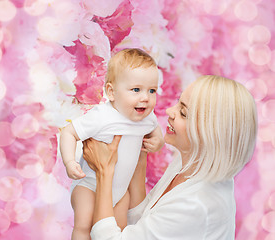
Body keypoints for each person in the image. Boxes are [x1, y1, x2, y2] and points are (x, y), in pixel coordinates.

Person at [82, 75, 258, 239]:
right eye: (178, 103)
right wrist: (139, 158)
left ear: (210, 135)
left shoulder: (196, 205)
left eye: (183, 113)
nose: (169, 111)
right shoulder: (192, 162)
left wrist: (104, 171)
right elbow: (145, 220)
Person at [59, 48, 165, 239]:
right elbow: (69, 132)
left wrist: (157, 142)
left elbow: (156, 133)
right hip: (90, 186)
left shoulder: (147, 118)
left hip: (120, 192)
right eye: (136, 90)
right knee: (84, 227)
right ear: (111, 92)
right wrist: (69, 162)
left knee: (118, 231)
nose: (145, 97)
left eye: (152, 90)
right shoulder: (102, 116)